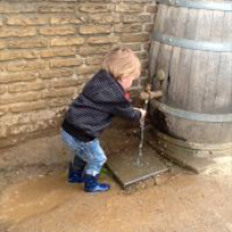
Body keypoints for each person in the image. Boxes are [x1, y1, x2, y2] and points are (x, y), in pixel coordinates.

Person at [61, 47, 146, 193]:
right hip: (83, 133)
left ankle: (74, 175)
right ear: (125, 76)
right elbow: (129, 114)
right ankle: (91, 184)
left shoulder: (101, 78)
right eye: (133, 79)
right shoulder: (116, 96)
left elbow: (113, 104)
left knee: (83, 153)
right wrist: (140, 113)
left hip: (68, 127)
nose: (132, 82)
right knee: (98, 158)